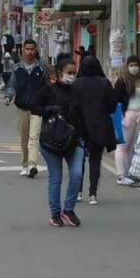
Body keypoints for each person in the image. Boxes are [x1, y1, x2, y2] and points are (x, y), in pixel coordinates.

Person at [35, 56, 84, 227]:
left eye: (74, 73)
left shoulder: (78, 91)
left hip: (74, 140)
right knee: (56, 177)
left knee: (77, 174)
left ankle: (68, 210)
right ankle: (55, 213)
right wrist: (50, 110)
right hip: (51, 142)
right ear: (59, 73)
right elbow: (35, 107)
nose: (71, 76)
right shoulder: (49, 89)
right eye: (68, 73)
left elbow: (84, 115)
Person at [73, 56, 116, 205]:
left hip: (80, 127)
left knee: (79, 161)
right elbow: (112, 105)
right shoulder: (105, 83)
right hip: (100, 126)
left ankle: (78, 192)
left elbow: (73, 106)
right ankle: (93, 194)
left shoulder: (76, 84)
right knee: (95, 160)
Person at [4, 39, 47, 178]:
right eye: (27, 49)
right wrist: (8, 97)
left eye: (32, 49)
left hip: (37, 108)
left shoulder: (41, 68)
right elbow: (11, 85)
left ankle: (32, 165)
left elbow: (47, 88)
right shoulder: (17, 68)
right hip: (21, 108)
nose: (29, 52)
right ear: (23, 50)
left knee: (33, 137)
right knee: (24, 139)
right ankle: (24, 164)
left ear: (35, 51)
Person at [113, 55, 140, 179]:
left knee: (134, 147)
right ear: (127, 66)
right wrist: (119, 117)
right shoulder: (122, 81)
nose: (134, 68)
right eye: (131, 65)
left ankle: (130, 173)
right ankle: (121, 174)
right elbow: (116, 100)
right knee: (122, 146)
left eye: (136, 65)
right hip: (127, 116)